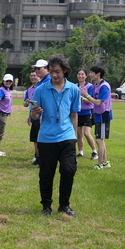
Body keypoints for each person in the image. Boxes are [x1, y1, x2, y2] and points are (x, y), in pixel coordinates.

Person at [29, 55, 80, 216]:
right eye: (51, 71)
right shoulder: (41, 90)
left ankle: (64, 205)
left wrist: (74, 137)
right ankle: (46, 206)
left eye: (57, 71)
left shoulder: (73, 89)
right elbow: (34, 116)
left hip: (67, 136)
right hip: (46, 138)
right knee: (46, 174)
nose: (54, 75)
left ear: (65, 71)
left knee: (68, 170)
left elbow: (74, 114)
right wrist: (35, 113)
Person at [85, 65, 112, 169]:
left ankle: (99, 164)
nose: (90, 75)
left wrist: (86, 95)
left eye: (92, 73)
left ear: (98, 74)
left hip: (103, 115)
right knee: (100, 139)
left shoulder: (104, 86)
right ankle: (105, 162)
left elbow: (98, 102)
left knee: (99, 140)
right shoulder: (96, 85)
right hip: (98, 115)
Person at [28, 60, 51, 165]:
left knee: (43, 139)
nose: (36, 71)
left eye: (39, 68)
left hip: (44, 117)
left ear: (46, 69)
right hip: (37, 115)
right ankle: (38, 158)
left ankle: (43, 159)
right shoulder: (40, 82)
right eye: (35, 69)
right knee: (36, 138)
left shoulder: (49, 81)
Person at [0, 74, 15, 156]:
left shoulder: (7, 90)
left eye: (10, 81)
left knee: (0, 132)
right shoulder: (1, 90)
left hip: (4, 115)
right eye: (7, 81)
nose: (8, 82)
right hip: (0, 114)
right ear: (3, 81)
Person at [75, 68, 97, 159]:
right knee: (79, 134)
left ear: (86, 76)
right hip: (77, 113)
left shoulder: (90, 86)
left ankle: (94, 152)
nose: (80, 76)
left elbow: (90, 101)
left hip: (88, 112)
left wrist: (81, 97)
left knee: (87, 133)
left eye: (82, 74)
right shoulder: (74, 86)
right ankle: (80, 152)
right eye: (79, 74)